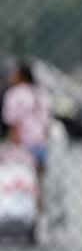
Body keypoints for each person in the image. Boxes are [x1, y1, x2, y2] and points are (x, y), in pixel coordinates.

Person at [2, 61, 51, 212]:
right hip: (41, 143)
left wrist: (13, 144)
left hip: (23, 144)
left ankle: (22, 210)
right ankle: (39, 209)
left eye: (14, 74)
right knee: (39, 181)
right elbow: (46, 122)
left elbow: (14, 123)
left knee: (21, 180)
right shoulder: (41, 93)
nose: (11, 77)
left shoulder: (14, 94)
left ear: (21, 75)